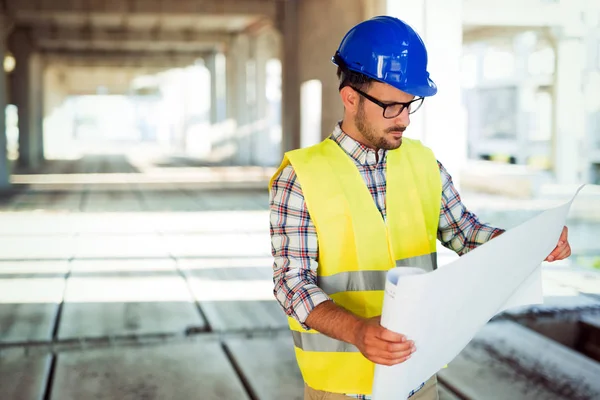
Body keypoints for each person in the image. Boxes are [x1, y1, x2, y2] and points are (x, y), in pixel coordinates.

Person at [268, 15, 571, 400]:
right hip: (341, 387)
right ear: (351, 97)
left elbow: (464, 232)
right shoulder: (301, 176)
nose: (406, 120)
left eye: (411, 104)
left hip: (418, 377)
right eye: (392, 106)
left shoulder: (424, 163)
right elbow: (291, 282)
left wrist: (532, 242)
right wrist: (358, 331)